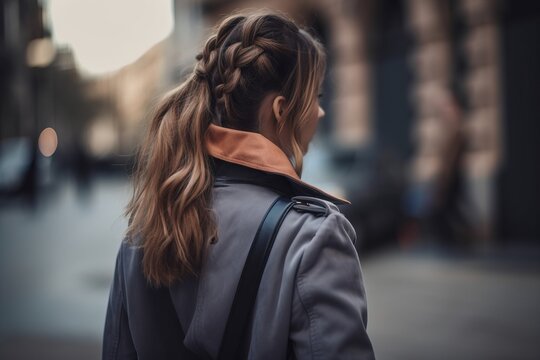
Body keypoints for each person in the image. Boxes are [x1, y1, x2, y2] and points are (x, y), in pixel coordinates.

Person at [102, 9, 375, 360]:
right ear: (280, 110)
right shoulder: (313, 240)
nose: (320, 113)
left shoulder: (144, 228)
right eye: (316, 99)